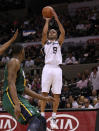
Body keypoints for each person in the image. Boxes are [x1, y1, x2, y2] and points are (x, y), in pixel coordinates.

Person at [2, 44, 54, 131]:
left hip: (17, 96)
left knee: (41, 120)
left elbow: (24, 89)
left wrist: (43, 98)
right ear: (22, 51)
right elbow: (11, 83)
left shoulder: (18, 65)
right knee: (35, 121)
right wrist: (17, 104)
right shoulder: (14, 62)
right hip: (10, 96)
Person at [40, 8, 65, 129]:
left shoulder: (58, 43)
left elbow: (63, 32)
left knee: (57, 95)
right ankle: (42, 117)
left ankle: (54, 119)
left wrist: (57, 19)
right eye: (51, 32)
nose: (52, 32)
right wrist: (47, 21)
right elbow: (44, 33)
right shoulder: (45, 43)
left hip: (57, 69)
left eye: (54, 32)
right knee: (44, 93)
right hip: (48, 68)